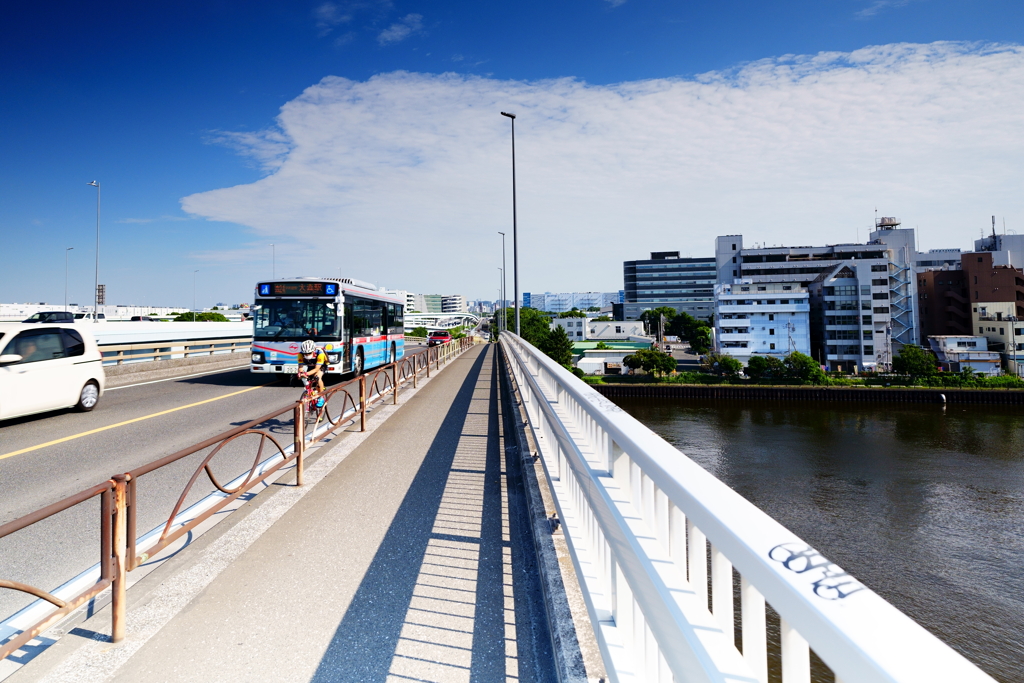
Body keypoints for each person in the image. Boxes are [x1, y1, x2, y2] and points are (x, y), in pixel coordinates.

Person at [297, 339, 328, 407]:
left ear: (313, 350)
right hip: (311, 365)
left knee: (317, 377)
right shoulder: (300, 354)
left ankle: (321, 397)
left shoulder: (320, 353)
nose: (307, 355)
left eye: (309, 353)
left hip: (321, 366)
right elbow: (300, 367)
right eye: (305, 353)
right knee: (305, 378)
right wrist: (300, 373)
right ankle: (310, 394)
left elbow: (317, 369)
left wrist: (306, 373)